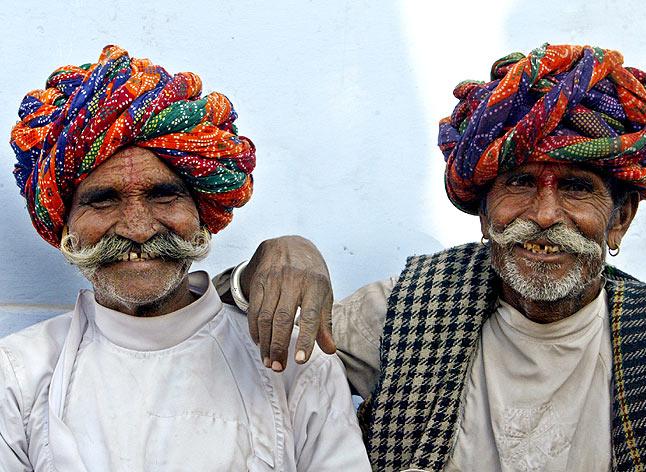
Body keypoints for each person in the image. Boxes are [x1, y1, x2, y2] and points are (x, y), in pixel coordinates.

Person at [224, 44, 646, 471]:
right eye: (519, 182)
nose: (545, 215)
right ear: (483, 211)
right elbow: (233, 358)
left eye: (575, 187)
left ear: (620, 218)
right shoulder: (407, 310)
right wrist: (270, 261)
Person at [0, 46, 370, 471]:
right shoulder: (17, 374)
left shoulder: (292, 365)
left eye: (163, 194)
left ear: (202, 213)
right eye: (103, 200)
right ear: (65, 225)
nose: (137, 228)